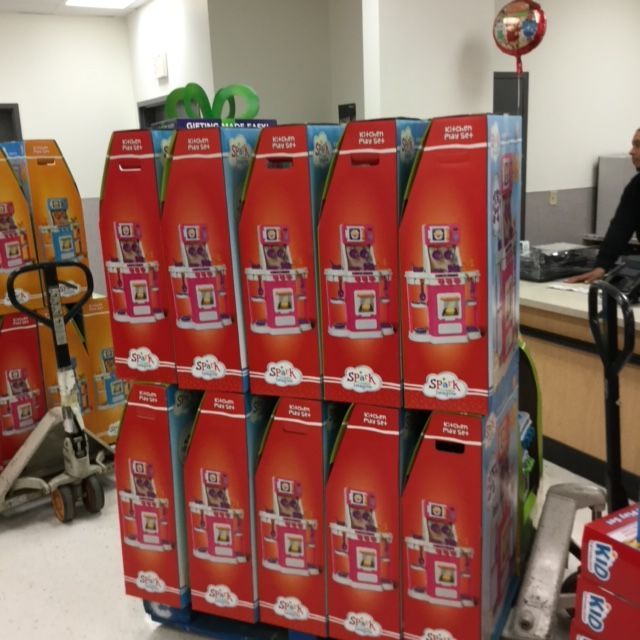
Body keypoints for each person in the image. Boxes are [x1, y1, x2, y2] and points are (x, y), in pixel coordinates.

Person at [566, 127, 640, 283]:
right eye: (633, 145)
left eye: (638, 145)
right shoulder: (636, 186)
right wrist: (602, 266)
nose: (631, 151)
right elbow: (620, 228)